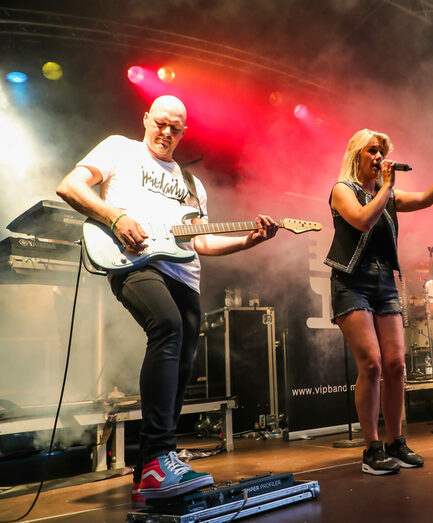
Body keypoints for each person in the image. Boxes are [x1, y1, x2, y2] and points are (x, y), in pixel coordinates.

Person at [56, 95, 279, 504]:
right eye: (160, 123)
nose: (166, 133)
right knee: (167, 326)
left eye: (176, 128)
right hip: (134, 260)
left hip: (185, 275)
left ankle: (151, 471)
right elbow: (70, 186)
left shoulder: (193, 185)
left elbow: (202, 240)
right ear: (146, 119)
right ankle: (158, 455)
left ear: (184, 131)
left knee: (183, 363)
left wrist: (249, 241)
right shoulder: (119, 149)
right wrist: (116, 217)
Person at [325, 129, 433, 475]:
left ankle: (396, 441)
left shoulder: (387, 193)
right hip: (351, 283)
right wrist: (387, 187)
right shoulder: (342, 190)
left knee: (397, 366)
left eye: (382, 151)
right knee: (371, 364)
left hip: (385, 283)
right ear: (357, 155)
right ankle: (372, 448)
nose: (378, 157)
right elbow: (361, 221)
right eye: (372, 151)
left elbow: (423, 199)